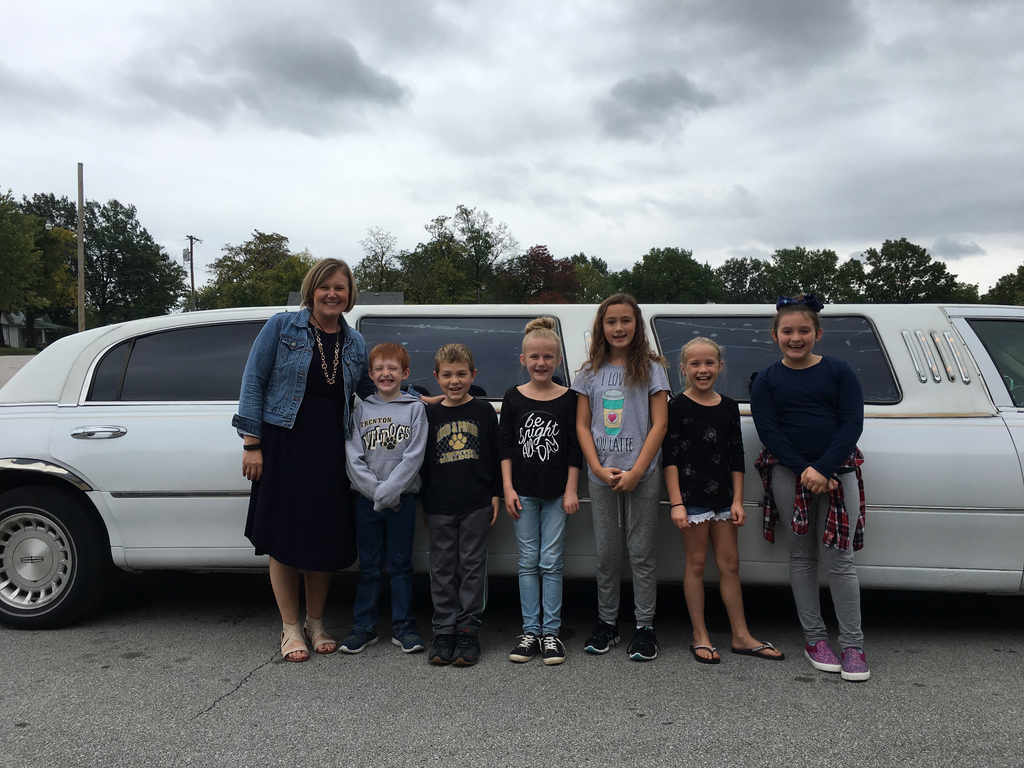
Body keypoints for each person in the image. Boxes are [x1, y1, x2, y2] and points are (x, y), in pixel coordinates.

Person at [234, 258, 375, 662]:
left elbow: (373, 389)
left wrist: (424, 399)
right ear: (311, 290)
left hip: (331, 447)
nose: (332, 294)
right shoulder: (282, 327)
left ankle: (316, 623)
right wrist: (252, 444)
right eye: (325, 286)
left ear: (349, 295)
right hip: (284, 442)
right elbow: (253, 381)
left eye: (340, 288)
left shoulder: (354, 342)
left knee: (323, 535)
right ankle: (290, 627)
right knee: (284, 535)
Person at [750, 294, 870, 682]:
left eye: (804, 330)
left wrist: (824, 467)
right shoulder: (767, 379)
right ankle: (815, 639)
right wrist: (806, 470)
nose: (795, 337)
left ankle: (852, 645)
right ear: (775, 336)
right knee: (801, 556)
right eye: (787, 331)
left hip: (839, 471)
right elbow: (769, 431)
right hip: (790, 473)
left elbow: (851, 424)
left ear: (818, 334)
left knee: (840, 558)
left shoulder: (839, 371)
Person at [664, 337, 784, 665]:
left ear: (720, 366)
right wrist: (676, 503)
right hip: (691, 499)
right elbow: (669, 458)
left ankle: (740, 635)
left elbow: (736, 456)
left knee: (730, 565)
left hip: (723, 499)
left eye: (709, 363)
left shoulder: (729, 407)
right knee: (696, 564)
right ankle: (700, 634)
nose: (703, 370)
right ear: (683, 369)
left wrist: (738, 501)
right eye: (695, 364)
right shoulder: (676, 407)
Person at [572, 294, 669, 662]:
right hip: (602, 476)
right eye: (611, 321)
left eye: (626, 320)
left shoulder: (652, 369)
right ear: (602, 326)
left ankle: (645, 627)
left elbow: (659, 424)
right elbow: (582, 425)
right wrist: (597, 468)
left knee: (642, 553)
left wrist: (638, 471)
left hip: (643, 473)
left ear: (637, 325)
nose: (618, 328)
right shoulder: (589, 372)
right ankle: (607, 623)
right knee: (607, 554)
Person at [499, 318, 582, 666]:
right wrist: (508, 488)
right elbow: (505, 446)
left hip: (557, 494)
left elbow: (575, 448)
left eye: (548, 357)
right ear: (523, 359)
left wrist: (571, 490)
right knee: (527, 562)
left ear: (558, 360)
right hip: (523, 492)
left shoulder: (569, 399)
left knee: (551, 562)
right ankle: (530, 632)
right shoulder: (513, 397)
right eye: (534, 357)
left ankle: (551, 633)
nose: (541, 363)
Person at [343, 342, 428, 655]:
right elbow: (352, 457)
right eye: (379, 368)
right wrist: (377, 493)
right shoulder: (361, 410)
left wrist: (390, 491)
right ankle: (363, 627)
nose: (386, 373)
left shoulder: (415, 409)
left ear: (405, 373)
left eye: (393, 368)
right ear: (370, 374)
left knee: (401, 566)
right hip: (367, 501)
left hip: (402, 501)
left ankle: (404, 626)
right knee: (369, 566)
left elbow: (414, 456)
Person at [420, 343, 501, 666]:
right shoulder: (430, 414)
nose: (455, 381)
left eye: (461, 374)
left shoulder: (484, 412)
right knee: (441, 568)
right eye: (447, 375)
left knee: (472, 566)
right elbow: (423, 462)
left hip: (477, 503)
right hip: (439, 504)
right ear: (437, 377)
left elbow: (496, 455)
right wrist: (425, 502)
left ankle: (468, 630)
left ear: (473, 375)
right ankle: (443, 631)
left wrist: (495, 493)